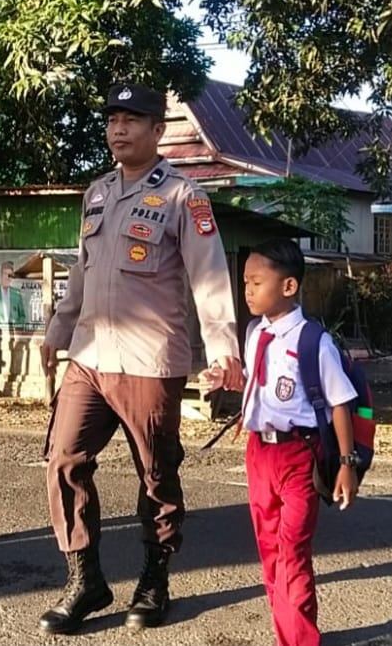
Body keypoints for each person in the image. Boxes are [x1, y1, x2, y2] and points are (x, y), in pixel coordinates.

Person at [38, 83, 243, 635]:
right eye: (112, 120)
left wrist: (223, 352)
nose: (119, 129)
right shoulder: (96, 193)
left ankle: (155, 579)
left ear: (157, 131)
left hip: (150, 360)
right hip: (89, 355)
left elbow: (210, 277)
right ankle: (85, 579)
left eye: (132, 120)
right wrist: (58, 329)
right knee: (63, 459)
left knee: (156, 474)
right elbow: (82, 269)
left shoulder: (183, 197)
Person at [199, 238, 358, 646]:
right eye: (245, 282)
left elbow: (340, 403)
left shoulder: (313, 341)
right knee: (269, 549)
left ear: (288, 286)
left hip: (298, 456)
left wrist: (346, 463)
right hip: (259, 453)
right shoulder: (256, 333)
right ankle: (285, 631)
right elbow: (259, 384)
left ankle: (300, 640)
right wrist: (228, 380)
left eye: (256, 282)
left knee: (292, 553)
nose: (247, 290)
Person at [0, 260, 27, 330]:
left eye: (10, 275)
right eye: (5, 273)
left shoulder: (17, 294)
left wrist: (16, 327)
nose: (7, 277)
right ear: (1, 275)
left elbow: (22, 316)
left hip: (13, 333)